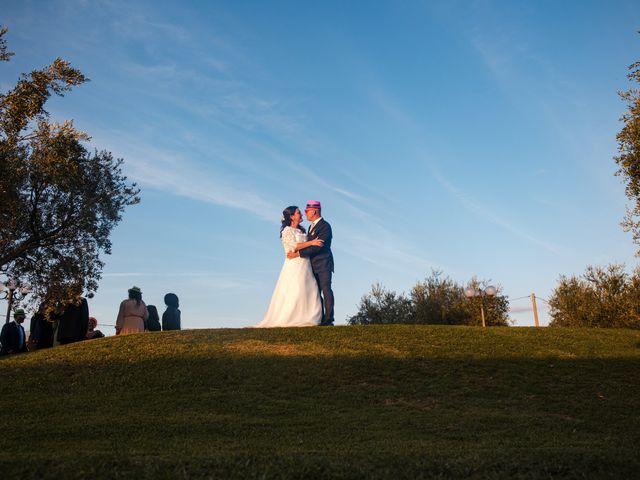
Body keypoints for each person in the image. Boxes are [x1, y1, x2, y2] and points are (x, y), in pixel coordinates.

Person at [256, 205, 324, 327]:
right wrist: (312, 242)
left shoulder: (302, 230)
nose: (302, 214)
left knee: (309, 288)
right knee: (296, 288)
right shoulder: (287, 230)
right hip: (294, 264)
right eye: (298, 213)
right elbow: (294, 246)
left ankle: (310, 316)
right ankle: (292, 316)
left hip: (306, 263)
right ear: (292, 216)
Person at [287, 200, 335, 326]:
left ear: (314, 211)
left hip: (323, 264)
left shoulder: (325, 226)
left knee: (326, 290)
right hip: (311, 265)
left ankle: (329, 319)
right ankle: (320, 318)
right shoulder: (310, 227)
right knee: (315, 293)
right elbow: (310, 245)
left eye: (307, 211)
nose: (305, 213)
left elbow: (318, 247)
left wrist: (297, 254)